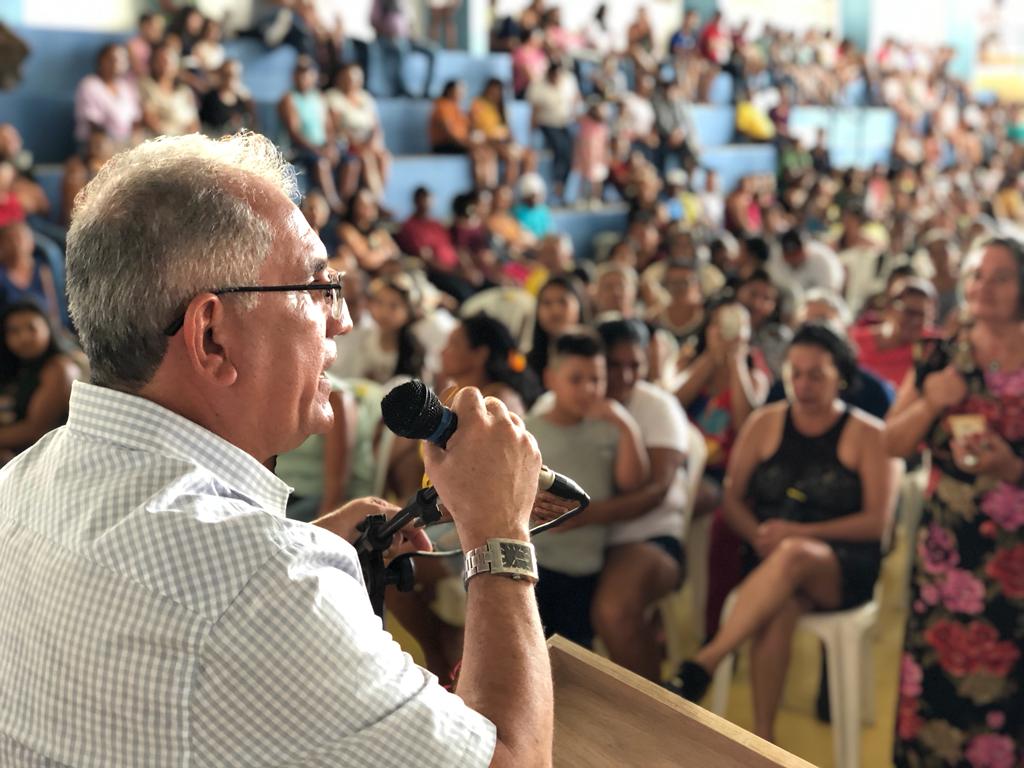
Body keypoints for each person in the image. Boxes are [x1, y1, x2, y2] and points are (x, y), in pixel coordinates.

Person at [0, 132, 553, 766]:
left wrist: (305, 547)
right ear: (212, 336)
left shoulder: (21, 482)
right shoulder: (265, 588)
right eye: (317, 287)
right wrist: (498, 532)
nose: (342, 319)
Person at [668, 323, 894, 744]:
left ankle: (707, 660)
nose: (803, 385)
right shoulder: (765, 423)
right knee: (781, 608)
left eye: (816, 375)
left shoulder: (869, 434)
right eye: (796, 373)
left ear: (841, 378)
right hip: (771, 558)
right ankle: (764, 739)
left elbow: (876, 523)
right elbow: (732, 499)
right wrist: (758, 534)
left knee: (795, 552)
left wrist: (797, 533)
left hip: (842, 565)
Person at [885, 239, 1024, 768]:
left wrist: (1013, 468)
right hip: (947, 559)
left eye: (1001, 277)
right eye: (977, 275)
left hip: (1014, 562)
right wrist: (930, 402)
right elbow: (890, 442)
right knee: (937, 687)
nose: (984, 286)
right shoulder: (940, 354)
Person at [525, 328, 648, 646]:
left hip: (586, 569)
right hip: (537, 561)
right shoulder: (530, 432)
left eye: (596, 379)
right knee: (531, 643)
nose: (588, 389)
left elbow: (632, 481)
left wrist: (626, 425)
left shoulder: (608, 430)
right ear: (551, 379)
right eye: (576, 379)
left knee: (572, 649)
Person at [584, 319, 690, 681]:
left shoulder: (658, 406)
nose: (627, 376)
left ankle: (653, 709)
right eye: (615, 365)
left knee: (614, 610)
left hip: (650, 537)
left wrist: (587, 516)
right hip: (584, 540)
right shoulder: (572, 398)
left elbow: (656, 491)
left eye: (636, 365)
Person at [0, 300, 81, 462]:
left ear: (48, 327)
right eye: (14, 331)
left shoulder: (59, 368)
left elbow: (35, 430)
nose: (24, 337)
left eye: (32, 328)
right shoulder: (20, 366)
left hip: (50, 460)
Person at [325, 63, 391, 201]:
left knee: (384, 157)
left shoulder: (366, 97)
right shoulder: (333, 97)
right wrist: (359, 145)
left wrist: (372, 142)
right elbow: (338, 128)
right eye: (348, 77)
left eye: (356, 78)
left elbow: (375, 127)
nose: (352, 81)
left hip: (368, 142)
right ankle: (377, 201)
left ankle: (379, 198)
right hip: (346, 143)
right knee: (366, 158)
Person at [73, 43, 140, 148]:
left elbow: (135, 120)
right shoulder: (89, 84)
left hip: (125, 143)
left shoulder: (126, 86)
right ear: (101, 61)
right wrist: (115, 144)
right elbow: (94, 125)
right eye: (113, 59)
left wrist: (133, 142)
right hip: (97, 144)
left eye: (123, 60)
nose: (118, 64)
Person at [525, 275, 587, 382]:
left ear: (579, 306)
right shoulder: (527, 364)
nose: (555, 311)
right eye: (547, 303)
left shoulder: (595, 355)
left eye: (562, 302)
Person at [139, 43, 200, 137]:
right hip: (163, 139)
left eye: (169, 61)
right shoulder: (147, 87)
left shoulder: (185, 91)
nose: (165, 64)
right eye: (161, 60)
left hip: (187, 140)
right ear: (153, 63)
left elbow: (194, 122)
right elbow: (150, 119)